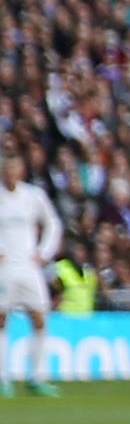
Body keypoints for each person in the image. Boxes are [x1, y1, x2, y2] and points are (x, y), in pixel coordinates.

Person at [0, 144, 59, 396]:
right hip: (4, 267)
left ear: (21, 170)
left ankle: (37, 376)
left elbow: (53, 222)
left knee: (39, 317)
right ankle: (3, 378)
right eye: (7, 167)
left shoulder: (33, 196)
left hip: (28, 266)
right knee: (1, 319)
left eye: (15, 167)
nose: (11, 172)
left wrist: (44, 253)